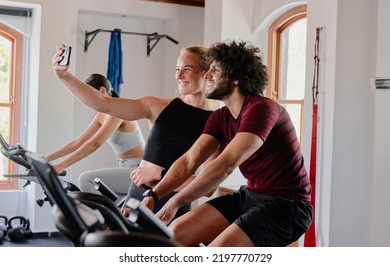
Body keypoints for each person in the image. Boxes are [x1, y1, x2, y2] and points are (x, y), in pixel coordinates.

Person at [141, 40, 313, 247]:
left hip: (288, 206)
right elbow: (189, 161)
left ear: (236, 78)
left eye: (215, 69)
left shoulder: (262, 109)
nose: (207, 74)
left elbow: (225, 165)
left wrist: (174, 203)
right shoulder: (220, 117)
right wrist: (154, 194)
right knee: (174, 235)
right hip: (250, 195)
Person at [51, 44, 218, 218]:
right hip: (136, 197)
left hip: (172, 208)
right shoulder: (158, 106)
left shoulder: (216, 122)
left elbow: (208, 187)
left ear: (207, 73)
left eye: (187, 69)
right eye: (177, 69)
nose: (179, 75)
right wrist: (64, 76)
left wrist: (159, 175)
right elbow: (102, 103)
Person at [45, 73, 145, 198]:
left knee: (86, 180)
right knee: (112, 203)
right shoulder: (102, 116)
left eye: (89, 97)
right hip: (125, 167)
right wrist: (45, 159)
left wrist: (61, 165)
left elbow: (95, 143)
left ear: (102, 91)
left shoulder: (118, 110)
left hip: (139, 169)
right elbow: (77, 143)